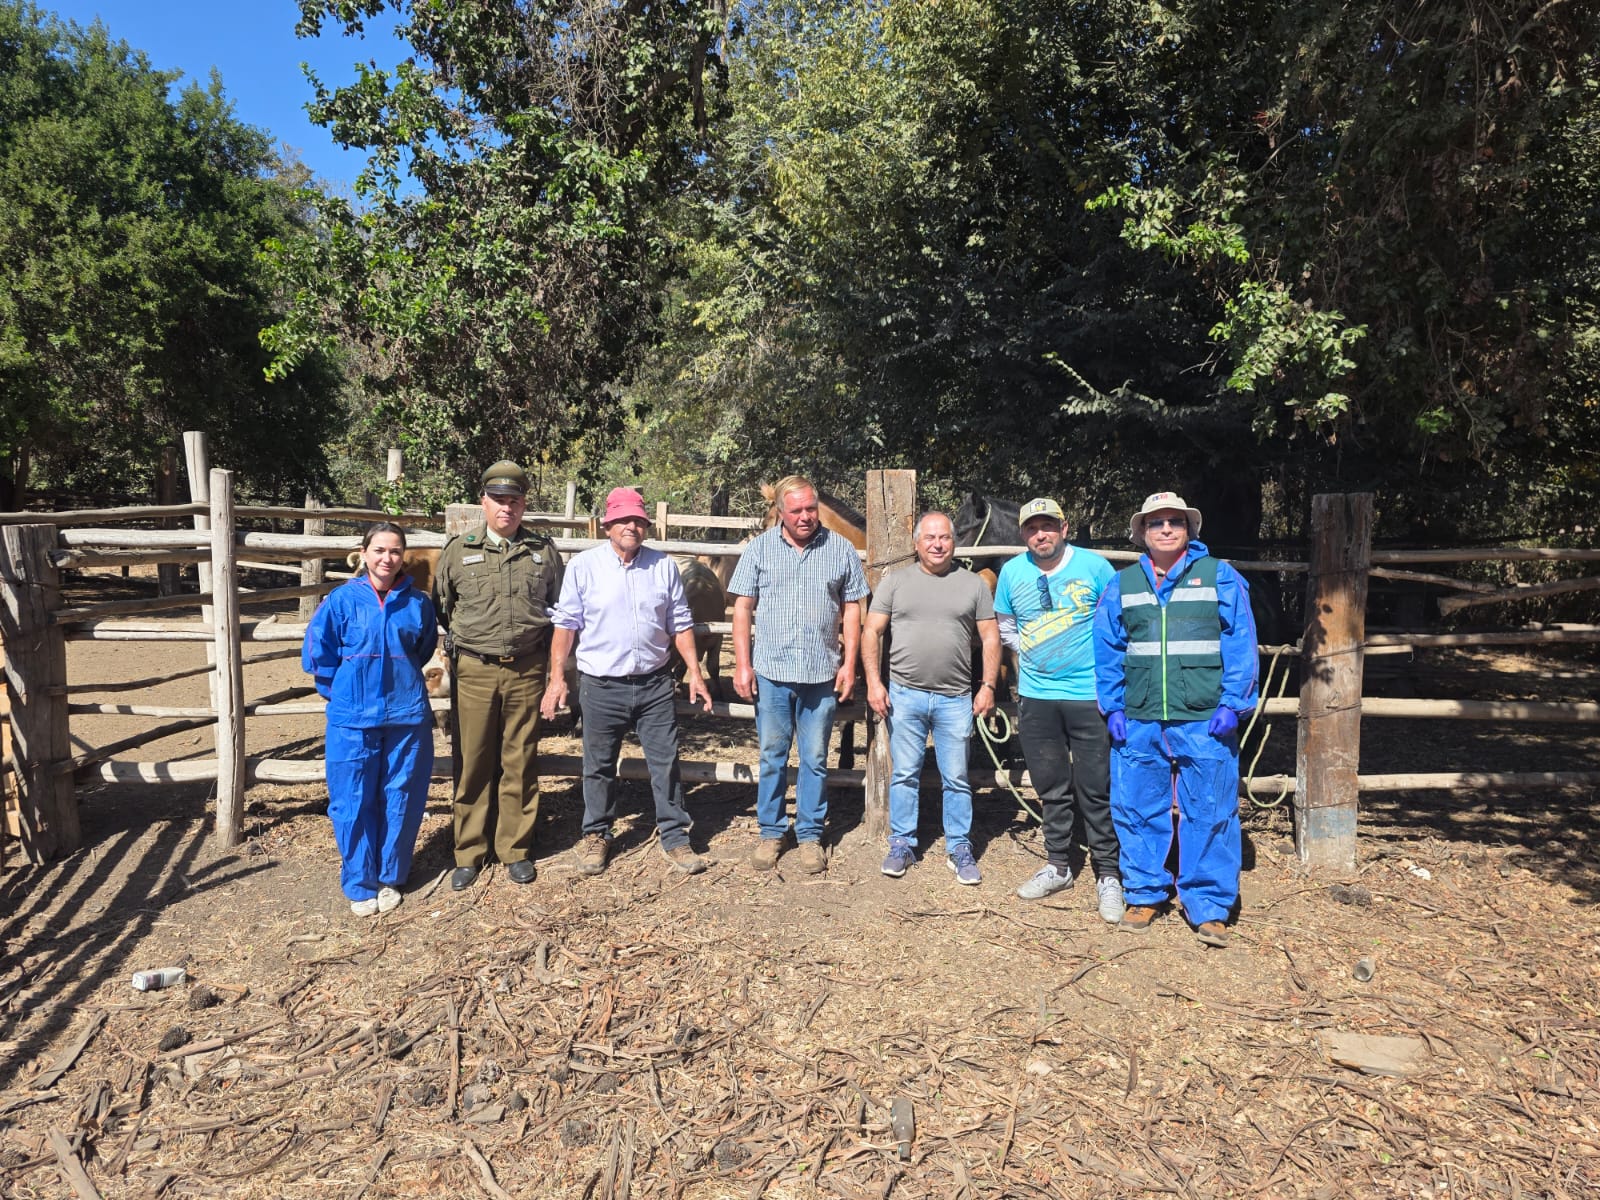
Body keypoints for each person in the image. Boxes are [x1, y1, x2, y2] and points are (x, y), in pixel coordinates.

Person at [1093, 491, 1259, 947]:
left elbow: (1241, 642)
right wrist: (1113, 706)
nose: (1166, 529)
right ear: (1142, 532)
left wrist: (1233, 703)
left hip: (1204, 717)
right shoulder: (1122, 585)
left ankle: (1208, 905)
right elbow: (1107, 649)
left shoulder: (1220, 577)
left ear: (1190, 529)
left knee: (1209, 809)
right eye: (1156, 523)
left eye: (1175, 522)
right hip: (1141, 715)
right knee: (1136, 807)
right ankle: (1145, 892)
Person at [541, 486, 714, 877]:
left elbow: (680, 624)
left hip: (654, 682)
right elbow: (565, 626)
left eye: (638, 520)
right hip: (601, 684)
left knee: (665, 761)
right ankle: (597, 833)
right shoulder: (584, 567)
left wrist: (696, 674)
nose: (631, 527)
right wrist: (556, 678)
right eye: (623, 520)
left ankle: (674, 835)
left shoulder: (663, 566)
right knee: (598, 764)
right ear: (607, 526)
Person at [433, 462, 565, 890]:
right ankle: (468, 851)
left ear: (524, 503)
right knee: (471, 761)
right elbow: (443, 606)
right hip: (474, 670)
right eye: (498, 500)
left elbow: (558, 608)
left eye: (515, 501)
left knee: (519, 760)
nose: (506, 508)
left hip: (526, 668)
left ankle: (515, 849)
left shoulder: (543, 551)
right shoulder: (457, 550)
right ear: (484, 503)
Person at [728, 475, 869, 873]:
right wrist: (742, 663)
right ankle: (772, 832)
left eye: (810, 508)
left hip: (821, 673)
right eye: (796, 511)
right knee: (773, 755)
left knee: (814, 757)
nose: (805, 517)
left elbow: (854, 608)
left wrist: (849, 662)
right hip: (772, 671)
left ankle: (809, 835)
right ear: (780, 512)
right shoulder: (759, 550)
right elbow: (742, 607)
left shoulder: (840, 549)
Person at [993, 497, 1124, 923]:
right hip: (1037, 695)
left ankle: (1108, 874)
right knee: (1050, 785)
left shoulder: (1094, 567)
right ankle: (1058, 866)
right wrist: (1029, 649)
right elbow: (1006, 624)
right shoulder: (1013, 572)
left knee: (1095, 786)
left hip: (1089, 694)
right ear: (1023, 533)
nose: (1040, 535)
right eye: (1032, 528)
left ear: (1064, 528)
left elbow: (1114, 621)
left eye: (1048, 526)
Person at [303, 523, 437, 917]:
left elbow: (423, 648)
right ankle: (360, 881)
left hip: (405, 714)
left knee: (402, 796)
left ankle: (390, 876)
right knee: (352, 800)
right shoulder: (341, 601)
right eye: (379, 550)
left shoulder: (417, 603)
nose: (387, 558)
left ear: (403, 557)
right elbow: (319, 653)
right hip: (351, 718)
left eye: (395, 552)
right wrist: (344, 691)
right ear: (363, 553)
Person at [862, 512, 1000, 885]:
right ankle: (902, 843)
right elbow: (871, 632)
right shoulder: (896, 582)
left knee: (956, 776)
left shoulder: (973, 585)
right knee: (904, 773)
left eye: (944, 538)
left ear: (954, 542)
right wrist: (875, 683)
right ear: (917, 542)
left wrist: (987, 685)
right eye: (930, 538)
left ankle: (958, 846)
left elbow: (990, 637)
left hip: (955, 697)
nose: (937, 544)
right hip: (904, 695)